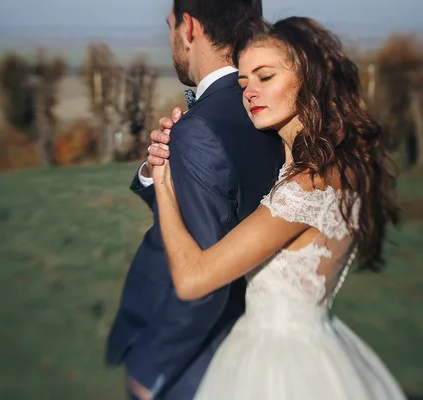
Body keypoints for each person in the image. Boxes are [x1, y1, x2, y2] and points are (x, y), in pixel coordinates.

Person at [148, 16, 406, 399]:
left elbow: (192, 279)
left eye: (265, 77)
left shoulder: (307, 186)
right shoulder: (337, 166)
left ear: (311, 78)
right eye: (243, 82)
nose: (250, 92)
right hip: (317, 344)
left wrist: (163, 182)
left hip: (279, 366)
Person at [104, 1, 283, 399]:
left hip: (193, 365)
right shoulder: (272, 110)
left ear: (188, 28)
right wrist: (160, 176)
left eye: (169, 26)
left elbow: (203, 280)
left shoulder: (202, 128)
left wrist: (151, 372)